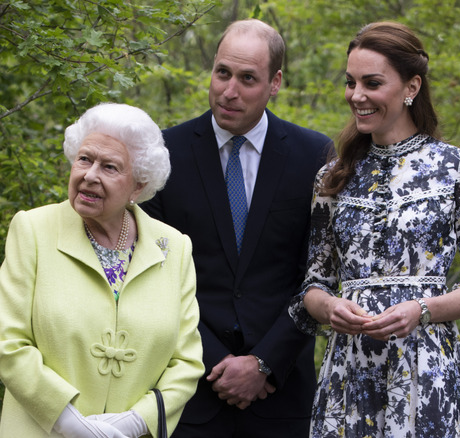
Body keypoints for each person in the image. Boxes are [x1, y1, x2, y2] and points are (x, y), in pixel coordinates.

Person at [288, 22, 460, 437]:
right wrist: (330, 308)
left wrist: (422, 310)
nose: (357, 96)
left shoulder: (457, 169)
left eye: (372, 83)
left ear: (411, 87)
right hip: (348, 374)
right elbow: (312, 285)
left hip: (426, 369)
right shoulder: (331, 177)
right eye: (350, 83)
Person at [141, 19, 332, 438]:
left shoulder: (314, 155)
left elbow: (318, 275)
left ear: (275, 81)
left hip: (281, 397)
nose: (229, 91)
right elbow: (152, 276)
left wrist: (264, 363)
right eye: (222, 73)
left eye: (248, 79)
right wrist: (217, 364)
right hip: (188, 392)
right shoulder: (162, 154)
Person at [0, 103, 204, 438]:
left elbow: (187, 363)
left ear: (138, 186)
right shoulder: (33, 229)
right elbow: (8, 342)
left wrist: (134, 422)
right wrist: (71, 423)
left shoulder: (173, 248)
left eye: (110, 167)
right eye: (84, 159)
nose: (89, 175)